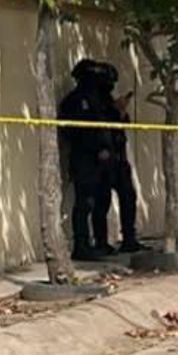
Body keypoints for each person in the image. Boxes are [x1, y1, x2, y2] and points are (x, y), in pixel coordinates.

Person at [58, 60, 116, 260]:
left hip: (103, 161)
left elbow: (110, 124)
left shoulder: (100, 100)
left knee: (102, 201)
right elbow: (74, 132)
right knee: (85, 203)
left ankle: (101, 242)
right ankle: (81, 246)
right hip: (84, 161)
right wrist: (96, 149)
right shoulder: (74, 101)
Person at [92, 62, 149, 254]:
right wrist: (97, 150)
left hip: (117, 159)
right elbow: (84, 130)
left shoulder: (106, 101)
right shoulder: (84, 101)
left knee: (128, 197)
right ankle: (100, 243)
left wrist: (121, 111)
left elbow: (120, 124)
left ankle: (129, 239)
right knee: (101, 202)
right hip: (98, 161)